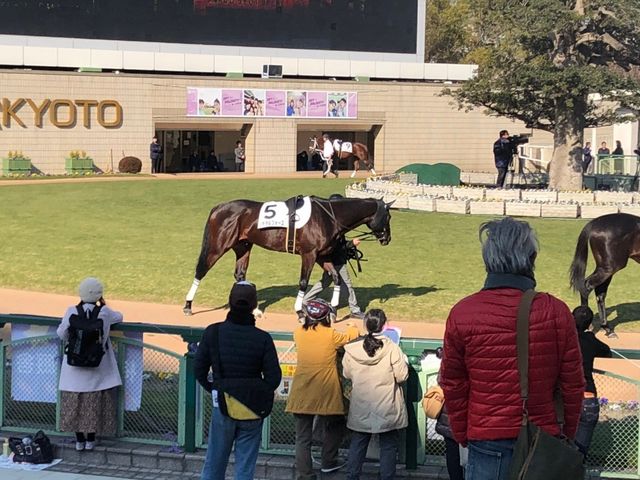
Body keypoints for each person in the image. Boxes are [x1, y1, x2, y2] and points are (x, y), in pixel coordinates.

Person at [440, 217, 584, 480]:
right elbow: (573, 385)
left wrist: (463, 433)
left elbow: (453, 382)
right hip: (541, 439)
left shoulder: (463, 312)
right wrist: (566, 433)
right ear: (532, 258)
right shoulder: (555, 311)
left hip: (486, 439)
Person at [194, 281, 282, 480]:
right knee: (245, 468)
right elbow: (273, 378)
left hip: (222, 405)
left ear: (230, 302)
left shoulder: (213, 332)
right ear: (254, 305)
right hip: (252, 409)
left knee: (214, 464)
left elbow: (199, 370)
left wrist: (216, 389)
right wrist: (257, 393)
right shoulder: (263, 338)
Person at [285, 299, 359, 479]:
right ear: (327, 317)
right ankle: (328, 461)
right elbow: (351, 336)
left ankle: (305, 475)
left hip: (302, 392)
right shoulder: (331, 334)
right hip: (326, 392)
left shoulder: (298, 333)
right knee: (337, 422)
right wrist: (352, 326)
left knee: (302, 438)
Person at [57, 277, 123, 452]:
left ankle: (79, 441)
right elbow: (120, 316)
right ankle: (91, 440)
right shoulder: (105, 312)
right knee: (92, 406)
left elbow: (61, 333)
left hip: (73, 370)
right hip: (97, 367)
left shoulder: (71, 311)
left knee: (76, 407)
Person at [342, 309, 409, 480]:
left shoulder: (352, 349)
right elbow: (402, 376)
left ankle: (352, 476)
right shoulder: (392, 349)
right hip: (387, 404)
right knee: (388, 445)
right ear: (385, 325)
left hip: (362, 404)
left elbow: (347, 374)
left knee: (358, 442)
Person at [303, 208, 364, 319]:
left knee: (324, 282)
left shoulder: (332, 227)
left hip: (331, 262)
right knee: (347, 285)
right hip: (337, 262)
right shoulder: (334, 229)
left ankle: (306, 300)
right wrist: (351, 244)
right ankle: (354, 309)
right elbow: (337, 248)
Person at [573, 305, 612, 459]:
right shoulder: (590, 339)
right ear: (589, 324)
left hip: (564, 399)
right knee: (579, 455)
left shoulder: (563, 337)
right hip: (587, 399)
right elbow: (606, 351)